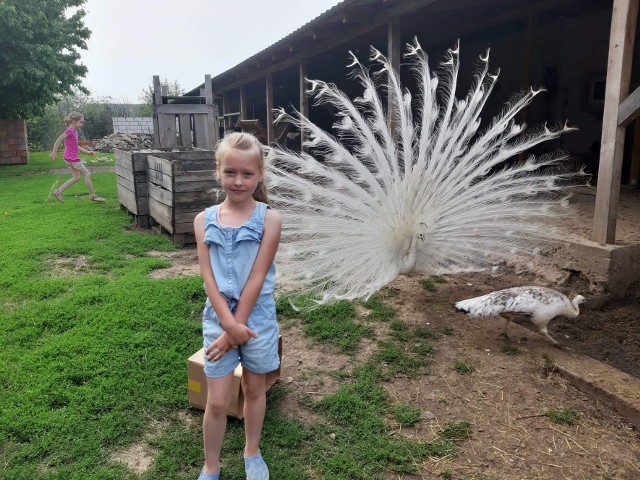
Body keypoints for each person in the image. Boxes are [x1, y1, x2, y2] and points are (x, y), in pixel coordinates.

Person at [194, 132, 282, 480]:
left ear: (260, 174)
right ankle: (211, 467)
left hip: (256, 318)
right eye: (230, 172)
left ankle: (252, 451)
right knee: (216, 401)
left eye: (247, 174)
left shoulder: (270, 220)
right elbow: (208, 280)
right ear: (218, 171)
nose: (239, 181)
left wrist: (236, 329)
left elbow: (257, 277)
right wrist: (228, 327)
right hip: (219, 319)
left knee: (253, 388)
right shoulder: (204, 221)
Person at [49, 111, 105, 203]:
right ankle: (92, 196)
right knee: (87, 174)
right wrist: (54, 152)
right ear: (73, 121)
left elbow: (76, 145)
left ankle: (58, 191)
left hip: (68, 159)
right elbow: (59, 140)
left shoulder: (74, 131)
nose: (82, 124)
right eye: (81, 122)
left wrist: (87, 152)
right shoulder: (69, 130)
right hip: (73, 160)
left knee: (76, 177)